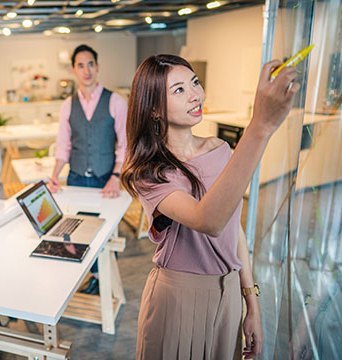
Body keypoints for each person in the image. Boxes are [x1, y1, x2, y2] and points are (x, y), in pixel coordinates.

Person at [120, 54, 300, 359]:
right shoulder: (150, 173)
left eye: (195, 82)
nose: (195, 95)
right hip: (178, 298)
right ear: (153, 109)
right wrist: (260, 126)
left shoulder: (219, 149)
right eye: (178, 90)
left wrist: (250, 302)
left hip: (228, 293)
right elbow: (209, 220)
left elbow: (232, 228)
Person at [48, 44, 127, 295]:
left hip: (106, 180)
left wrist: (116, 176)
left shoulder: (115, 101)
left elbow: (126, 144)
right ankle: (94, 276)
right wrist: (54, 175)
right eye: (81, 65)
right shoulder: (67, 106)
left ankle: (104, 278)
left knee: (104, 232)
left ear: (98, 66)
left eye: (90, 64)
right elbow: (63, 145)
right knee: (78, 231)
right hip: (76, 178)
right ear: (73, 70)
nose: (86, 70)